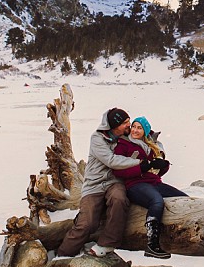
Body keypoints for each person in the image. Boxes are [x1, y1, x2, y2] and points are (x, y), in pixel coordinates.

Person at [54, 107, 159, 259]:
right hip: (94, 185)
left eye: (129, 122)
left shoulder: (125, 136)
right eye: (125, 123)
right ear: (115, 126)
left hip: (115, 182)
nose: (129, 126)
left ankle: (107, 243)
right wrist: (140, 163)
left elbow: (147, 140)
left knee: (119, 199)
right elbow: (111, 161)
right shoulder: (97, 139)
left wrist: (155, 151)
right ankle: (63, 255)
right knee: (87, 223)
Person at [112, 116, 188, 259]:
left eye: (139, 128)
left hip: (154, 183)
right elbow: (117, 170)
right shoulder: (123, 145)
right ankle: (152, 244)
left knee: (185, 200)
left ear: (145, 131)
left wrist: (163, 165)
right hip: (134, 185)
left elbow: (156, 172)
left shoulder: (151, 146)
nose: (135, 130)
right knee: (156, 201)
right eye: (133, 126)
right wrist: (140, 168)